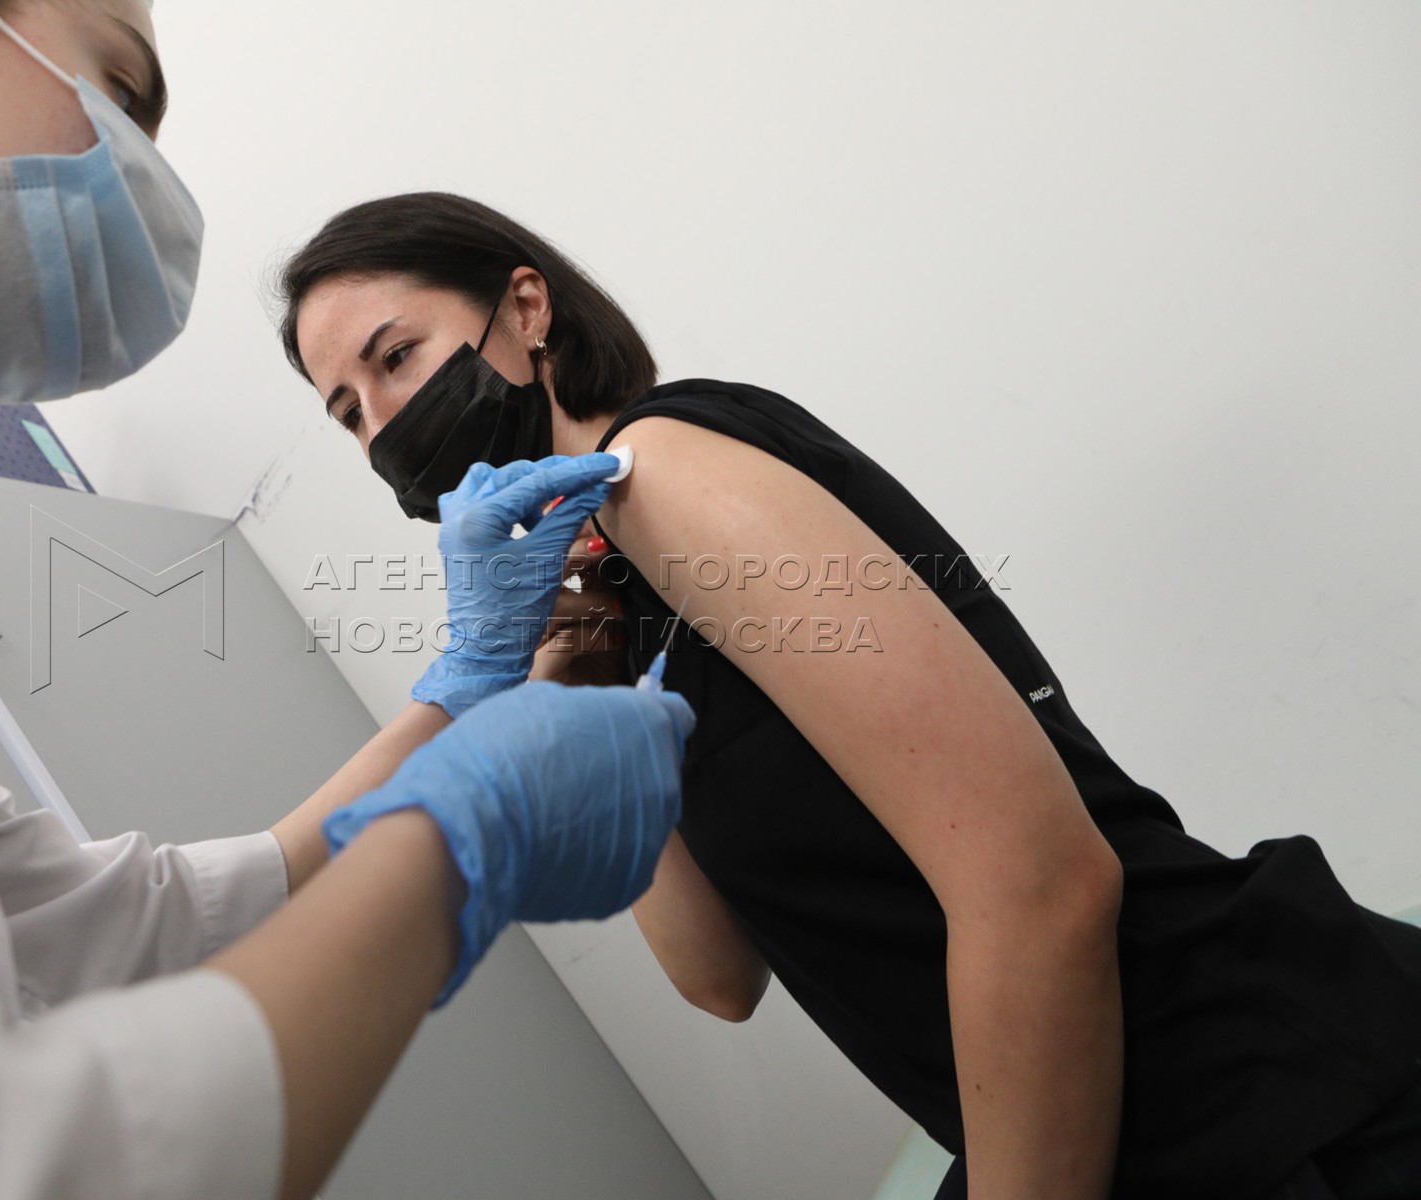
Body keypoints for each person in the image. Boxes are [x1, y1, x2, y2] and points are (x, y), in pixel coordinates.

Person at [0, 5, 696, 1200]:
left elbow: (140, 922)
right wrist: (458, 843)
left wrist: (463, 692)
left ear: (528, 308)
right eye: (120, 88)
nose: (138, 174)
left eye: (395, 357)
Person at [276, 190, 1421, 1200]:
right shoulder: (611, 596)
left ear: (526, 309)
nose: (385, 424)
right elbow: (719, 978)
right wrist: (563, 698)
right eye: (347, 413)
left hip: (1253, 1090)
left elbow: (1044, 886)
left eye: (396, 358)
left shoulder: (662, 475)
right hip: (1097, 1127)